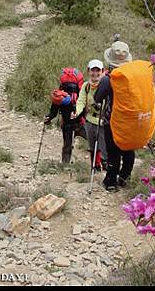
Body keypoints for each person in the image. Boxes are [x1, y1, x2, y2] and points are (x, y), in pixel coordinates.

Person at [94, 40, 135, 191]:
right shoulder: (133, 78)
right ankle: (124, 177)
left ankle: (111, 181)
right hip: (131, 121)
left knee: (113, 151)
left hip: (113, 120)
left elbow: (97, 98)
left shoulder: (108, 79)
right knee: (128, 149)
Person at [44, 68, 85, 164]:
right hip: (80, 122)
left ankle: (65, 164)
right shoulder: (81, 93)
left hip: (67, 123)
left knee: (67, 145)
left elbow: (54, 110)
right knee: (94, 141)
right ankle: (99, 163)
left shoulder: (59, 95)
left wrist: (49, 117)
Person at [73, 59, 107, 172]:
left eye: (98, 70)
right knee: (92, 146)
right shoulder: (86, 86)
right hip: (89, 120)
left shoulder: (106, 85)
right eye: (93, 70)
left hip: (103, 122)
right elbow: (81, 101)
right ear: (88, 71)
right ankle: (95, 166)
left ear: (102, 71)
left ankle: (107, 166)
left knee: (104, 146)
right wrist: (77, 112)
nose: (95, 73)